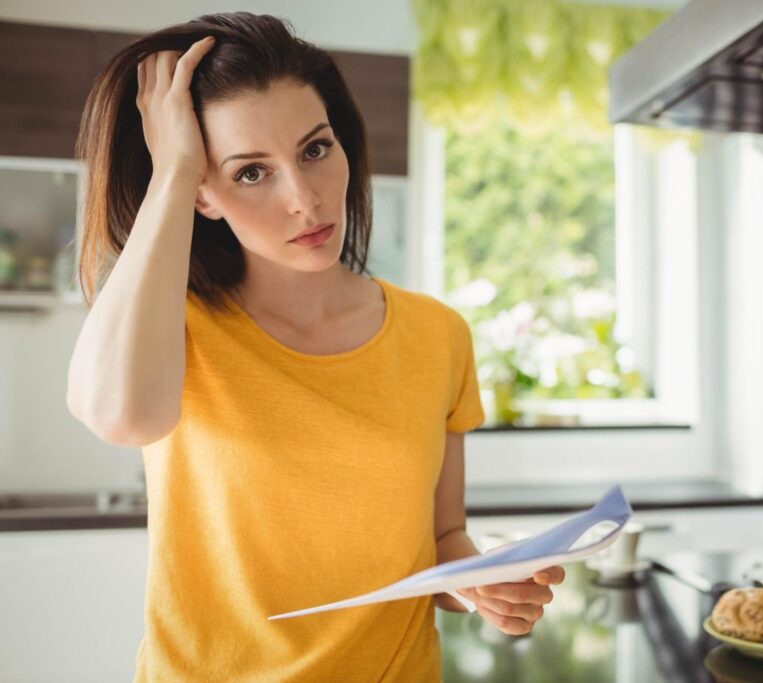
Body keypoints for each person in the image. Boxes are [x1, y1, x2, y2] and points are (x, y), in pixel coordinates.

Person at [66, 12, 564, 682]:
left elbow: (441, 540)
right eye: (249, 173)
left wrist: (484, 581)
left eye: (315, 148)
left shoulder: (438, 334)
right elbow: (122, 416)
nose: (305, 198)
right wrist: (176, 168)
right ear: (203, 196)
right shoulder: (175, 326)